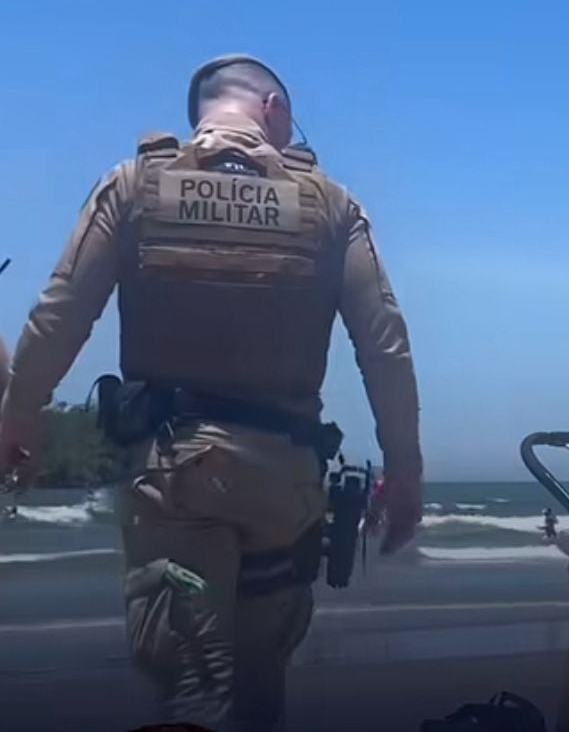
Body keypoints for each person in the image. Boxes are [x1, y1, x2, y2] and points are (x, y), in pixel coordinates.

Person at [0, 54, 423, 732]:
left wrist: (19, 415)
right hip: (286, 483)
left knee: (195, 691)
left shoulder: (134, 186)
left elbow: (60, 315)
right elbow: (384, 343)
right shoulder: (333, 206)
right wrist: (405, 467)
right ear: (273, 109)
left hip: (177, 479)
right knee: (258, 692)